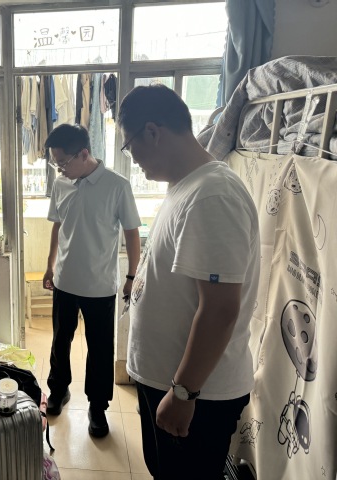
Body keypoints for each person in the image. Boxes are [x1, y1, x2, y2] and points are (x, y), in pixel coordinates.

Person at [118, 84, 260, 479]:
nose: (133, 159)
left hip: (197, 395)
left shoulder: (212, 194)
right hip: (174, 385)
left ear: (152, 132)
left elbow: (220, 310)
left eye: (129, 146)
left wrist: (183, 392)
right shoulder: (186, 186)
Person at [42, 123, 141, 438]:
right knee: (60, 341)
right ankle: (58, 390)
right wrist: (49, 266)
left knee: (99, 349)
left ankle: (97, 407)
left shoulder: (117, 185)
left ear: (84, 154)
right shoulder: (62, 183)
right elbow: (58, 225)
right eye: (56, 163)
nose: (60, 169)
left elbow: (132, 232)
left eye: (63, 162)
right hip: (64, 281)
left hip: (100, 286)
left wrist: (132, 275)